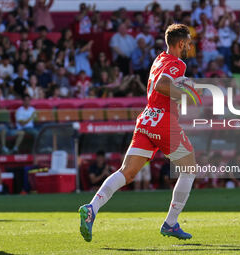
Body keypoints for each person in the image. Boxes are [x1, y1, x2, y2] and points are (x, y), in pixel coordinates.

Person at [79, 24, 197, 242]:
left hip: (146, 119)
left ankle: (92, 208)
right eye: (188, 42)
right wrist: (184, 92)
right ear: (180, 43)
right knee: (189, 170)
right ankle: (171, 223)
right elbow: (163, 85)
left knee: (127, 172)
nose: (189, 46)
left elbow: (158, 84)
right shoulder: (177, 63)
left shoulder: (159, 59)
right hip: (163, 120)